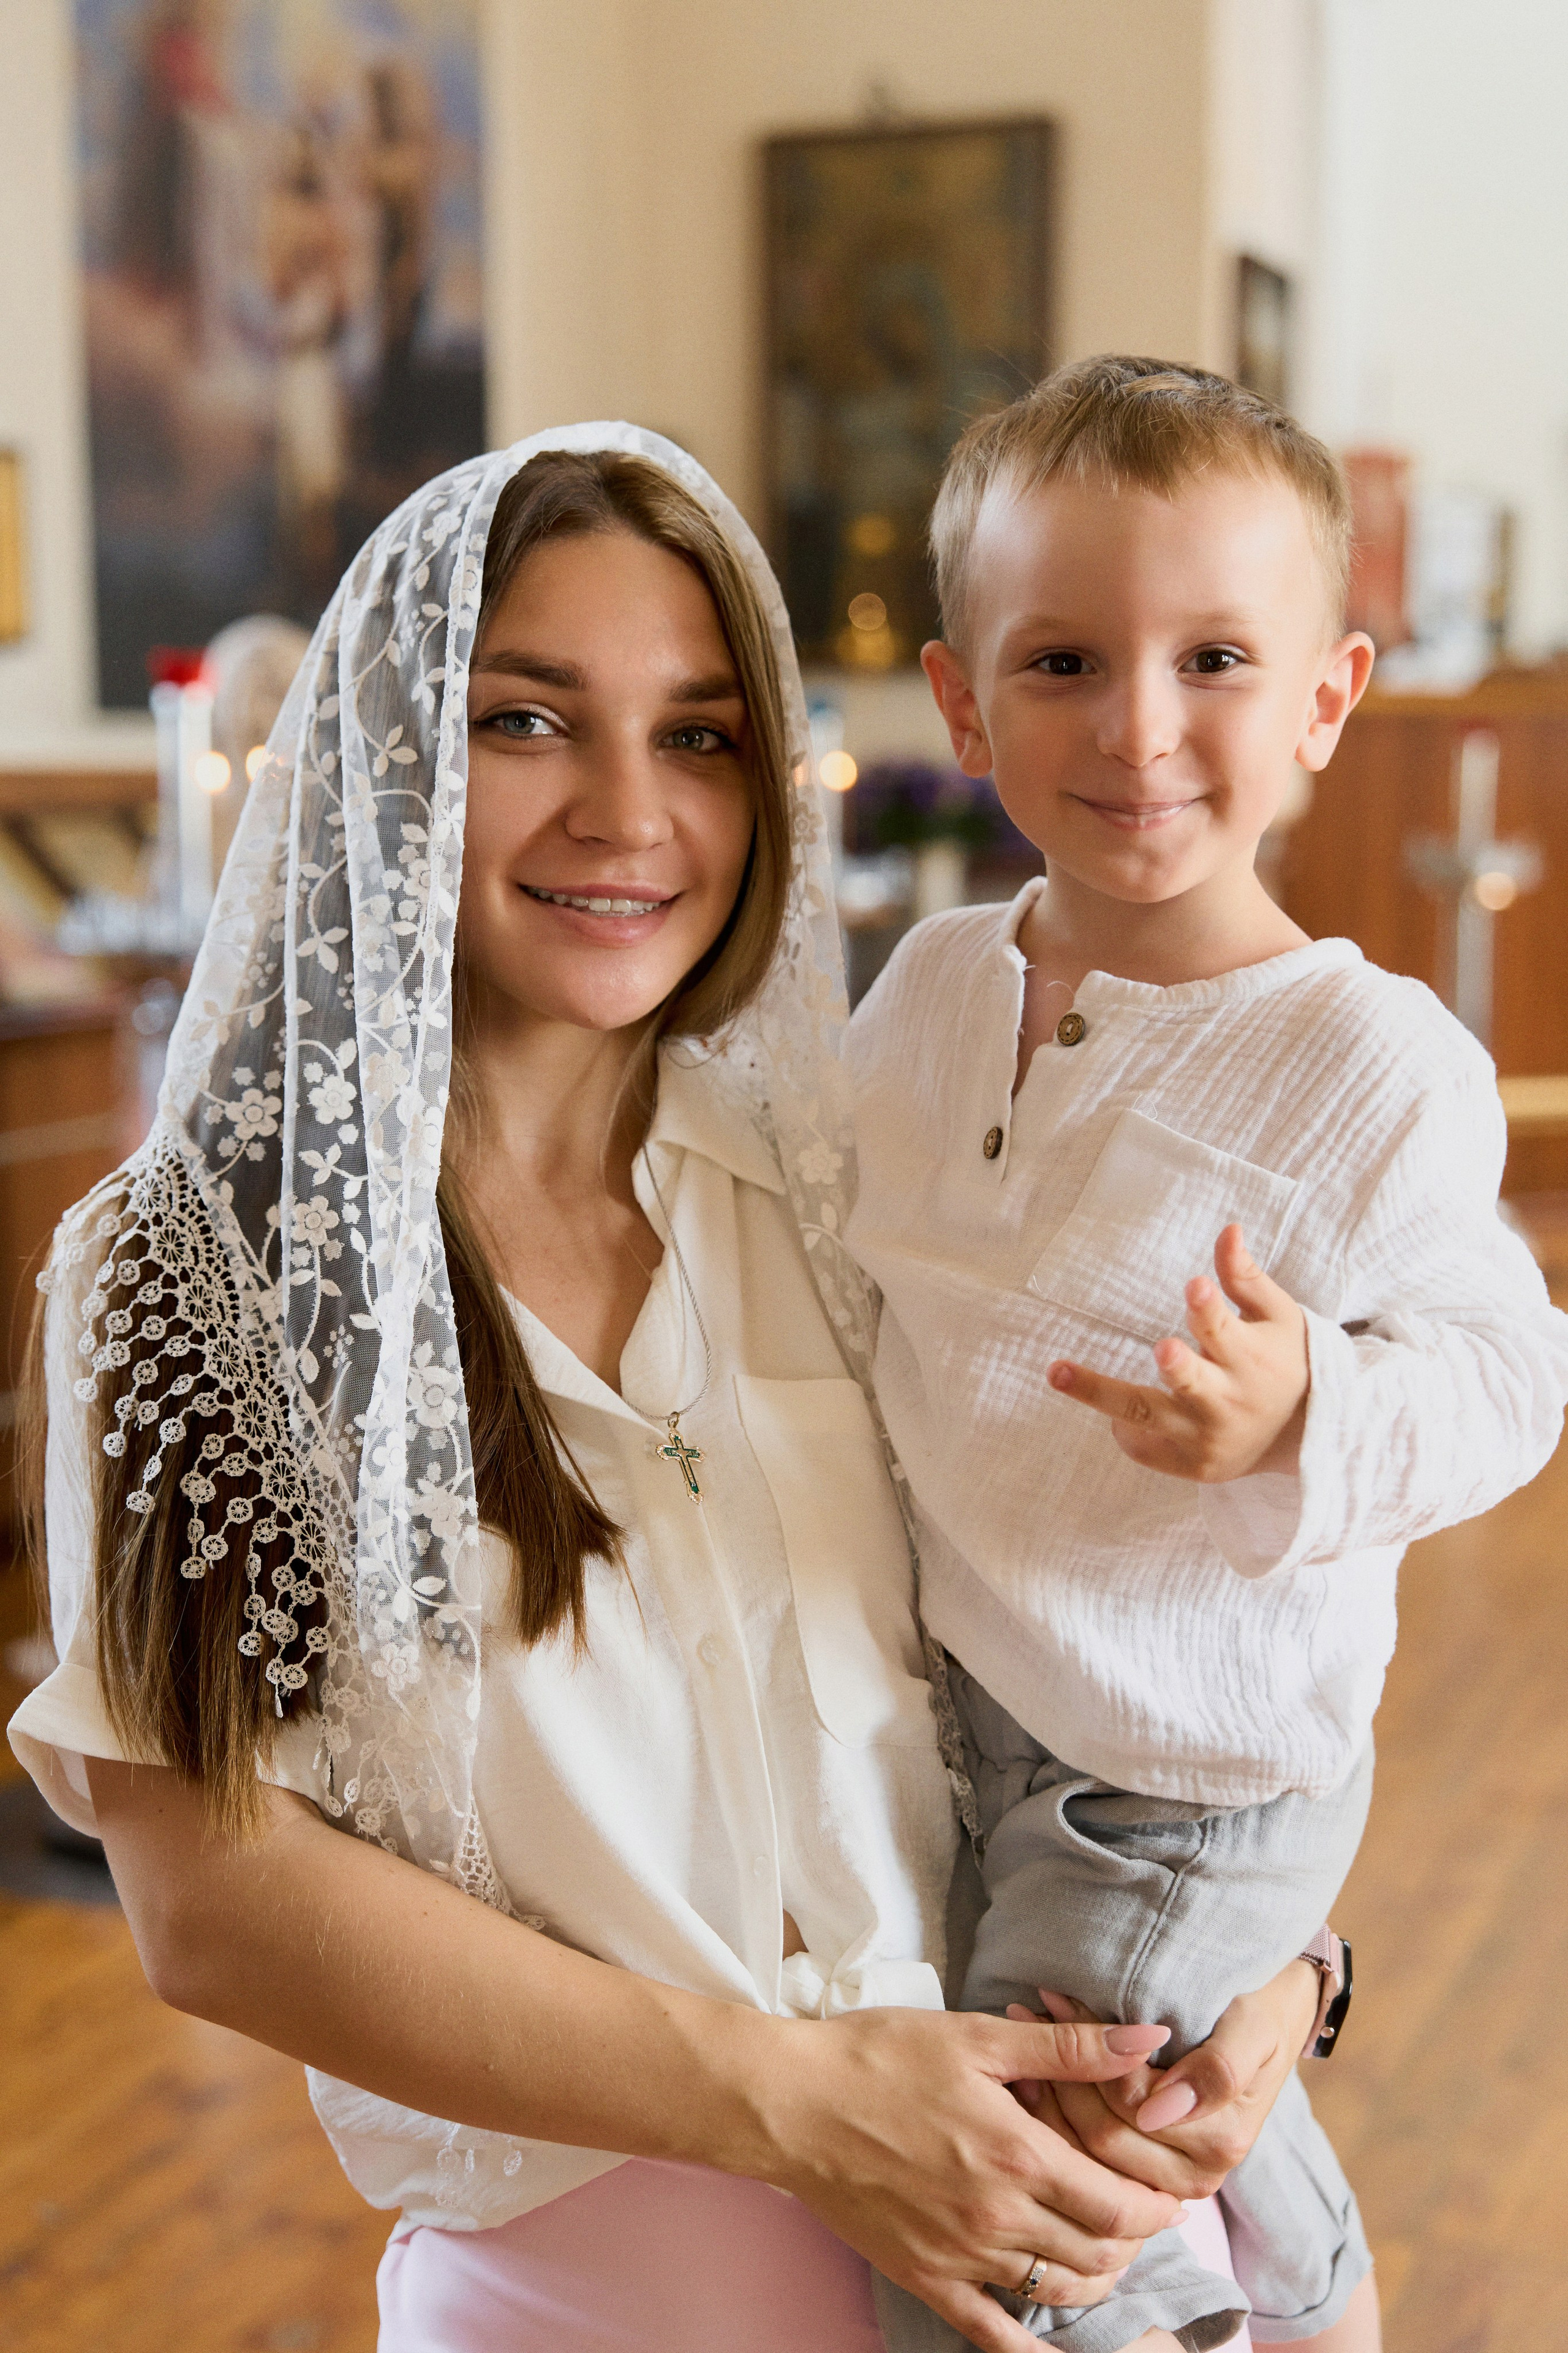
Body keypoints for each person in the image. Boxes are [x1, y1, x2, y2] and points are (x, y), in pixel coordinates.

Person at [9, 424, 1319, 2353]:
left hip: (1063, 2248)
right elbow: (213, 1894)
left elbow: (1111, 1607)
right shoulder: (194, 1264)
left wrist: (1286, 1954)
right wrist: (792, 2100)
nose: (629, 814)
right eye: (530, 721)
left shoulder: (846, 1177)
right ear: (393, 757)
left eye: (699, 736)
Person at [846, 357, 1568, 2352]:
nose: (1139, 727)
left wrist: (1308, 1409)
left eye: (1217, 659)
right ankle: (1312, 2274)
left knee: (1029, 2220)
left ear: (1328, 698)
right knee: (1173, 2107)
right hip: (977, 1710)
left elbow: (1516, 1375)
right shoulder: (918, 990)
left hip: (1171, 1774)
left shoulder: (1369, 1064)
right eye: (1065, 660)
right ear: (966, 701)